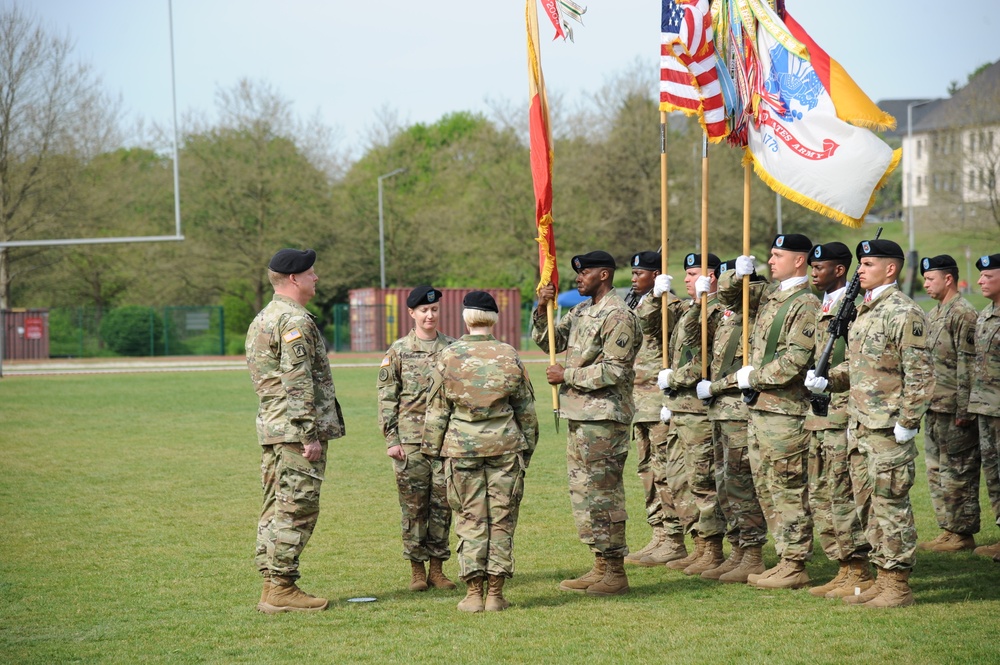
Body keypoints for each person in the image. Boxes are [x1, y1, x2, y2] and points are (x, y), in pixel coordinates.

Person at [820, 238, 933, 608]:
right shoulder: (867, 311)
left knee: (890, 503)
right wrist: (829, 379)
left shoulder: (904, 312)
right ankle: (882, 576)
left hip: (888, 427)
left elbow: (920, 375)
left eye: (868, 264)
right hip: (860, 423)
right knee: (867, 503)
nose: (860, 270)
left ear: (891, 268)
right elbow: (861, 369)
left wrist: (909, 420)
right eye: (860, 265)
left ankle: (898, 583)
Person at [533, 250, 642, 596]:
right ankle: (599, 563)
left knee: (604, 494)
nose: (578, 278)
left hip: (605, 418)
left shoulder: (618, 314)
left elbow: (615, 369)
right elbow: (548, 340)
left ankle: (615, 571)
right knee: (584, 494)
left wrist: (567, 374)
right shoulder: (581, 310)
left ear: (605, 275)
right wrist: (541, 308)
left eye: (585, 273)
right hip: (580, 415)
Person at [423, 291, 538, 612]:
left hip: (461, 451)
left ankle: (474, 594)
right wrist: (525, 450)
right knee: (501, 519)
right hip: (505, 449)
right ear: (494, 319)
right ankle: (496, 594)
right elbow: (526, 411)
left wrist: (433, 453)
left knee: (471, 519)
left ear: (465, 318)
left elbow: (436, 412)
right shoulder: (510, 355)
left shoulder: (448, 356)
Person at [246, 248, 345, 614]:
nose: (316, 278)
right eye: (311, 273)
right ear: (293, 279)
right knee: (297, 507)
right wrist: (308, 434)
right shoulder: (294, 321)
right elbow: (297, 381)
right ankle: (281, 587)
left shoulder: (265, 317)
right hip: (293, 431)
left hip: (274, 427)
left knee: (276, 506)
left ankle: (273, 582)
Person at [730, 233, 820, 590]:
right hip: (761, 411)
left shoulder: (806, 303)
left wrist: (755, 376)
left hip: (785, 412)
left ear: (799, 260)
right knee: (766, 488)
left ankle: (796, 562)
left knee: (787, 487)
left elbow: (796, 360)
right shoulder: (770, 294)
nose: (770, 261)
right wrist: (737, 276)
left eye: (777, 255)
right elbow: (726, 298)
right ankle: (784, 558)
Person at [802, 242, 874, 598]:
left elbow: (860, 360)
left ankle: (859, 566)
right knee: (823, 493)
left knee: (843, 491)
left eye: (821, 266)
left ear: (840, 270)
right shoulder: (826, 306)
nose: (814, 272)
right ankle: (843, 565)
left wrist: (830, 378)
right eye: (812, 266)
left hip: (842, 409)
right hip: (820, 412)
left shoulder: (854, 308)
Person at [377, 285, 457, 592]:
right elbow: (386, 398)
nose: (430, 315)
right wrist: (391, 439)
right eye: (424, 310)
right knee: (413, 508)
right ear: (412, 313)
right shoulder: (397, 351)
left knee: (442, 506)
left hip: (445, 442)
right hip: (409, 443)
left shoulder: (452, 348)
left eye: (434, 310)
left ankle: (437, 569)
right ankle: (416, 571)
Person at [695, 259, 768, 583]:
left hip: (739, 409)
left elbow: (728, 289)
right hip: (721, 410)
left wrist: (739, 277)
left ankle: (752, 553)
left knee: (740, 484)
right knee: (724, 483)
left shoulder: (753, 311)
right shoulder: (728, 315)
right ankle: (738, 548)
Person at [655, 252, 727, 575]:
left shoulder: (717, 312)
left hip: (698, 408)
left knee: (702, 479)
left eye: (693, 273)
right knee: (679, 478)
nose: (686, 278)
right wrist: (661, 295)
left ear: (711, 277)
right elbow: (651, 326)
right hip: (679, 407)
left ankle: (712, 548)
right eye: (685, 273)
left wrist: (675, 379)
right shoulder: (687, 309)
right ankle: (699, 542)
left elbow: (705, 361)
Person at [624, 251, 687, 566]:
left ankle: (674, 538)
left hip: (659, 401)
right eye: (633, 273)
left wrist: (658, 295)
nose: (634, 279)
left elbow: (651, 324)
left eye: (641, 273)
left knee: (664, 472)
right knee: (646, 471)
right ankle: (659, 533)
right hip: (639, 403)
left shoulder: (668, 304)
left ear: (657, 275)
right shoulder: (636, 301)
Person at [916, 255, 980, 552]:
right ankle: (947, 528)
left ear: (948, 279)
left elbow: (968, 364)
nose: (926, 283)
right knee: (937, 470)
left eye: (930, 279)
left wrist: (966, 408)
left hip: (955, 407)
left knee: (958, 470)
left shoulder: (963, 313)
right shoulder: (935, 312)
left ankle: (962, 532)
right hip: (935, 405)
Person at [970, 253, 1000, 561]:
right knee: (993, 476)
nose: (980, 280)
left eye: (988, 276)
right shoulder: (986, 314)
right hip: (985, 409)